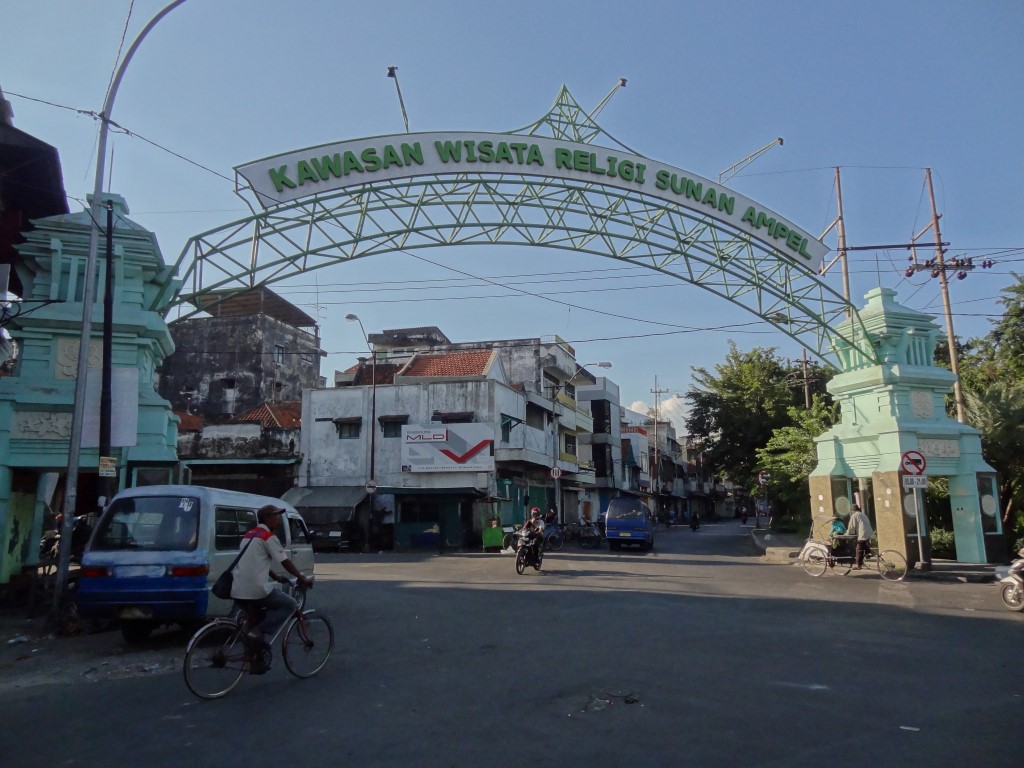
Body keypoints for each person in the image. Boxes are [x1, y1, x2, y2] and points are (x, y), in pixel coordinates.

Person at [231, 504, 312, 644]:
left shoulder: (248, 535)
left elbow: (254, 561)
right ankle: (257, 632)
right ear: (267, 518)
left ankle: (254, 658)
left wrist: (275, 576)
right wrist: (301, 578)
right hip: (256, 590)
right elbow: (285, 562)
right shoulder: (268, 537)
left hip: (237, 589)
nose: (279, 518)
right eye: (276, 515)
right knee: (291, 604)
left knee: (256, 618)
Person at [845, 504, 874, 570]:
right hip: (868, 532)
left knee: (859, 548)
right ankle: (869, 553)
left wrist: (847, 534)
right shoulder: (862, 514)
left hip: (863, 533)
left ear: (853, 510)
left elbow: (851, 527)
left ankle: (859, 565)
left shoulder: (855, 515)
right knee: (863, 545)